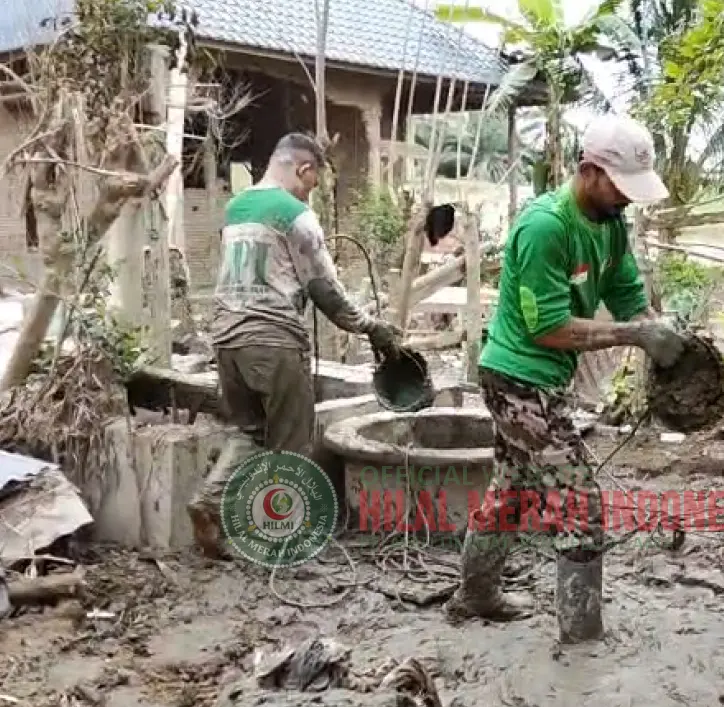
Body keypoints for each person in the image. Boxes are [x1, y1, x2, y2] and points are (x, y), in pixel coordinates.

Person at [445, 115, 685, 622]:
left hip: (546, 381)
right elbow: (548, 328)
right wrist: (632, 336)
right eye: (620, 186)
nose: (626, 198)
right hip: (514, 380)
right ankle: (581, 633)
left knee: (509, 491)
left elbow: (627, 299)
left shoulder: (611, 225)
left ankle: (475, 596)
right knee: (578, 503)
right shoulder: (545, 227)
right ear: (588, 170)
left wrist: (657, 332)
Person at [188, 132, 402, 559]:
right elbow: (324, 289)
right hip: (273, 339)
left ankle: (209, 501)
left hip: (227, 339)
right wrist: (371, 327)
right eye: (312, 182)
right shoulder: (296, 215)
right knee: (292, 442)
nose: (311, 192)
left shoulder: (236, 207)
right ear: (303, 170)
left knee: (249, 430)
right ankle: (281, 539)